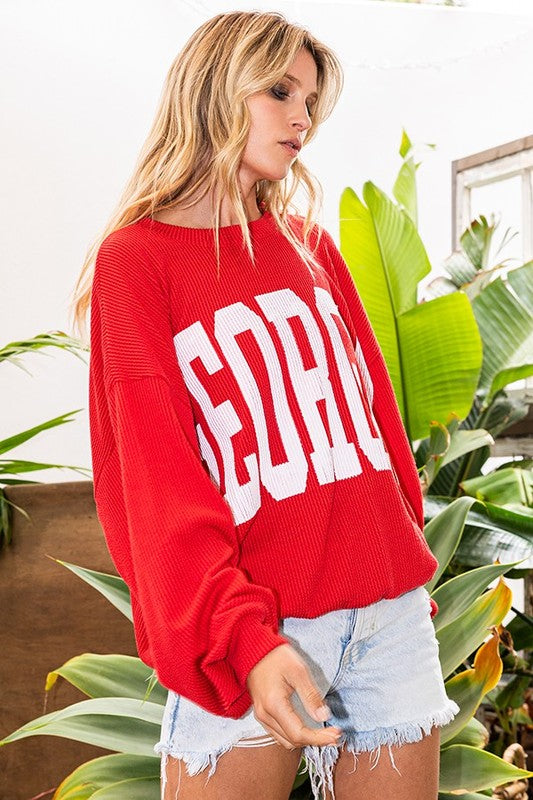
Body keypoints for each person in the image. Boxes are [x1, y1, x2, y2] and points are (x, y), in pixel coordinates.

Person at [72, 10, 460, 800]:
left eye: (310, 100)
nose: (301, 117)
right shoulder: (135, 262)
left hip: (388, 619)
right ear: (213, 88)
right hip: (259, 622)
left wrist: (404, 564)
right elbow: (155, 482)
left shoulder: (312, 248)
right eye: (279, 91)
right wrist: (240, 639)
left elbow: (372, 420)